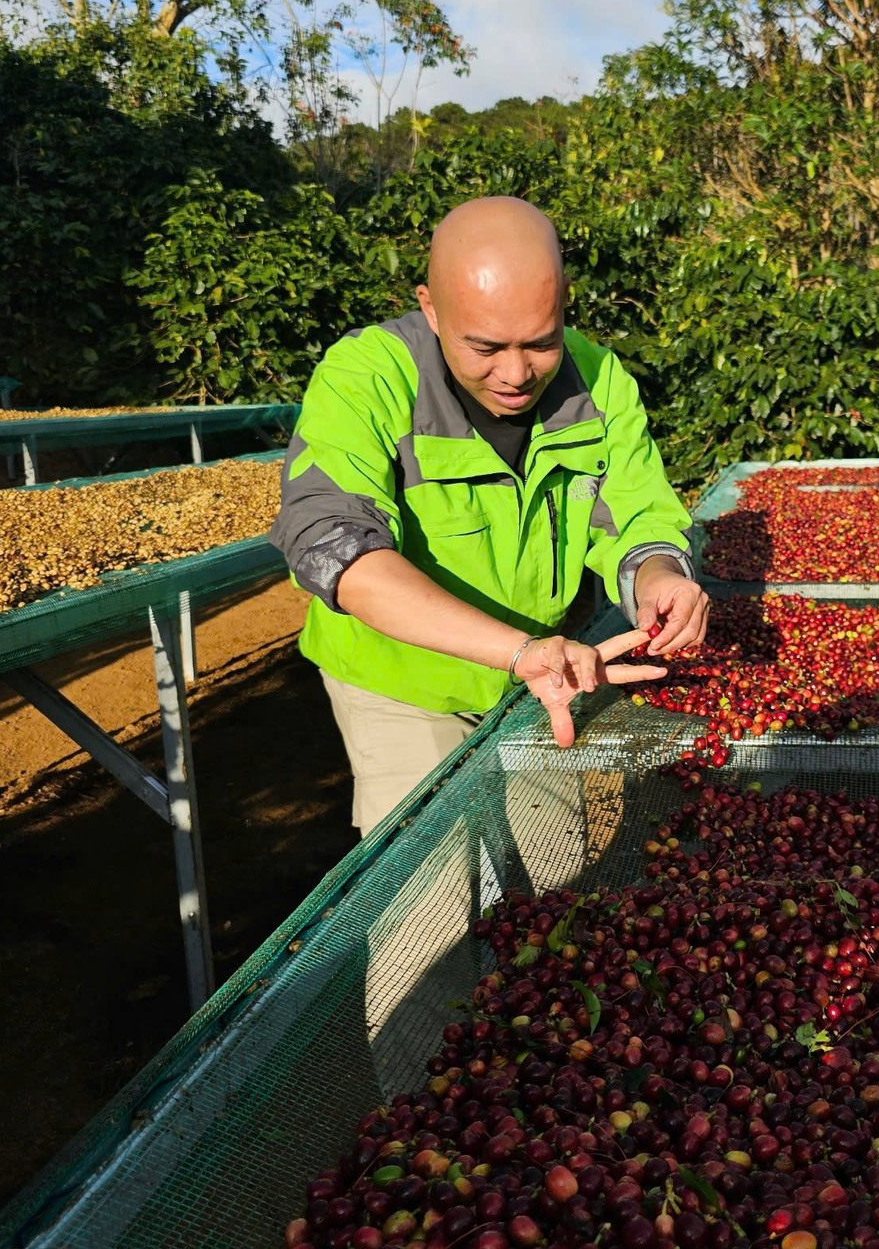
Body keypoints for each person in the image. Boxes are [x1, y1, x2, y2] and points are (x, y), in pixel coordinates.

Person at [272, 194, 710, 837]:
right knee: (431, 903)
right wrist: (518, 650)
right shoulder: (366, 375)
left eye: (541, 343)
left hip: (545, 677)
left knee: (550, 869)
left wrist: (660, 576)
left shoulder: (598, 379)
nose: (515, 373)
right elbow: (335, 550)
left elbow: (639, 512)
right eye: (485, 347)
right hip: (407, 685)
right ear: (430, 307)